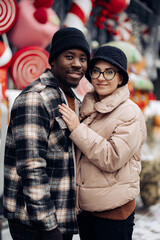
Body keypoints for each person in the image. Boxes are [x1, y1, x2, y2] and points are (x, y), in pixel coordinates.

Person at [3, 27, 90, 240]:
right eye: (69, 56)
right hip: (35, 225)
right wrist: (49, 227)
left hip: (60, 219)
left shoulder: (69, 99)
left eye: (83, 58)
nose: (78, 64)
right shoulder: (36, 98)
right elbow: (31, 168)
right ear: (52, 61)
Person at [58, 45, 147, 240]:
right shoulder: (89, 108)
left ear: (121, 77)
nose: (101, 77)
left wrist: (77, 129)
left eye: (109, 72)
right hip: (87, 212)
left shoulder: (129, 113)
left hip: (113, 215)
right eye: (96, 71)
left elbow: (112, 157)